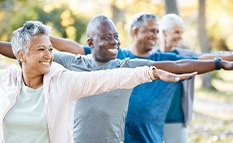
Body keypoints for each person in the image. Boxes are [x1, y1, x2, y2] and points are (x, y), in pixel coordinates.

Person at [1, 15, 233, 143]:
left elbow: (176, 64)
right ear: (90, 43)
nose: (114, 41)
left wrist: (217, 63)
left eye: (115, 36)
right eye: (106, 37)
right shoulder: (72, 63)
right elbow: (24, 51)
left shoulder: (125, 64)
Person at [159, 13, 233, 143]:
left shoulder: (185, 55)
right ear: (164, 33)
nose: (180, 36)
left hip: (176, 119)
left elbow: (211, 56)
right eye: (177, 32)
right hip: (152, 120)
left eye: (182, 32)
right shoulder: (152, 57)